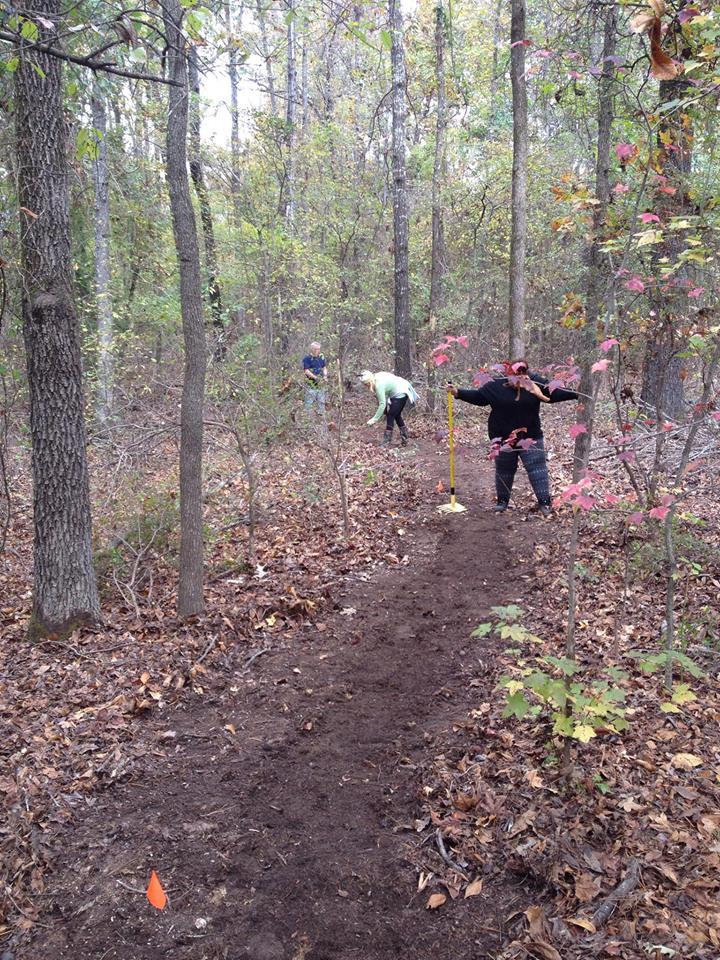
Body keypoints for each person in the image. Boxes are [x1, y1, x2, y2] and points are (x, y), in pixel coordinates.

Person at [446, 359, 578, 516]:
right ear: (509, 374)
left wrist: (577, 394)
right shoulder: (495, 385)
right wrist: (458, 393)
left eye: (523, 373)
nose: (520, 377)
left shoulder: (535, 383)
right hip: (502, 437)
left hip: (531, 435)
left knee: (537, 469)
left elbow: (554, 393)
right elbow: (479, 398)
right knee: (504, 470)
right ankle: (502, 502)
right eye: (516, 374)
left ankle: (544, 503)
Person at [361, 370, 419, 446]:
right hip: (400, 387)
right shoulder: (375, 377)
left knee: (391, 415)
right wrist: (384, 410)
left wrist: (374, 419)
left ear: (369, 382)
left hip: (401, 391)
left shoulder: (379, 385)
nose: (366, 387)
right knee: (396, 415)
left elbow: (382, 404)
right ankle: (405, 438)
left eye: (366, 385)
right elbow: (383, 398)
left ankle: (387, 441)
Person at [302, 342, 328, 416]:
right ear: (312, 349)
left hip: (321, 384)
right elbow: (306, 371)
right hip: (311, 384)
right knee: (309, 402)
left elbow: (324, 367)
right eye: (316, 349)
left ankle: (321, 416)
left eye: (319, 349)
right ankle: (308, 418)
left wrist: (325, 376)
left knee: (321, 401)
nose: (318, 351)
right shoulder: (307, 359)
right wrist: (315, 377)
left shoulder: (321, 358)